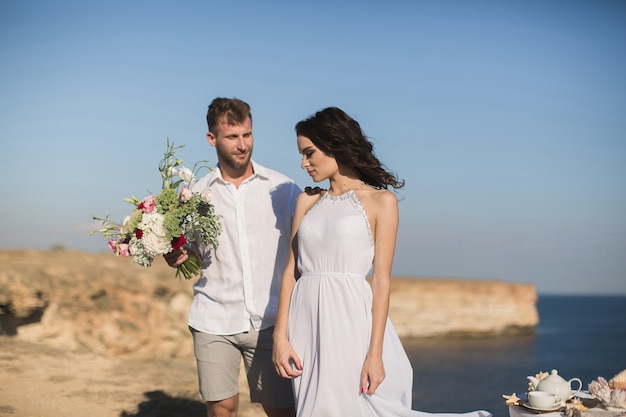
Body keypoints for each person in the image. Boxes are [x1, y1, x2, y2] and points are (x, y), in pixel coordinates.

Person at [272, 107, 492, 417]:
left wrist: (374, 354)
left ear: (333, 144)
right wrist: (280, 337)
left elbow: (381, 280)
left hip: (351, 324)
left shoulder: (381, 201)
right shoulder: (306, 201)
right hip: (305, 325)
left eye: (309, 153)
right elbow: (290, 274)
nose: (303, 163)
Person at [165, 97, 300, 417]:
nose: (243, 145)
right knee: (222, 409)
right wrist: (176, 255)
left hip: (272, 321)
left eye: (247, 135)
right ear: (212, 139)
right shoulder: (195, 194)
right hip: (213, 317)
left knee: (282, 411)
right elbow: (192, 253)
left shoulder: (284, 189)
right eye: (232, 136)